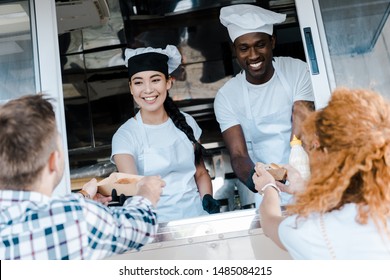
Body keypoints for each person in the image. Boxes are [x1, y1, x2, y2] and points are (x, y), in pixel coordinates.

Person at [0, 94, 165, 260]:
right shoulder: (76, 217)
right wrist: (147, 191)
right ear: (54, 162)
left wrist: (84, 196)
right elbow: (138, 227)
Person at [254, 87, 390, 259]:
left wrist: (268, 188)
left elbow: (269, 223)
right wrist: (302, 189)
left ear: (326, 155)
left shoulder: (316, 231)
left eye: (310, 147)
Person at [214, 4, 315, 206]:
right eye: (244, 48)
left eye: (260, 45)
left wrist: (299, 176)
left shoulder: (296, 70)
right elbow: (238, 155)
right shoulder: (226, 96)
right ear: (235, 50)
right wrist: (264, 183)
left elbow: (302, 128)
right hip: (265, 194)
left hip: (307, 180)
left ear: (272, 42)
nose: (253, 55)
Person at [111, 45, 220, 223]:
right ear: (131, 88)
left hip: (197, 220)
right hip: (154, 227)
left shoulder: (187, 122)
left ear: (168, 82)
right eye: (138, 82)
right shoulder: (125, 136)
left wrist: (207, 199)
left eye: (155, 80)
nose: (147, 89)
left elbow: (200, 173)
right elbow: (132, 189)